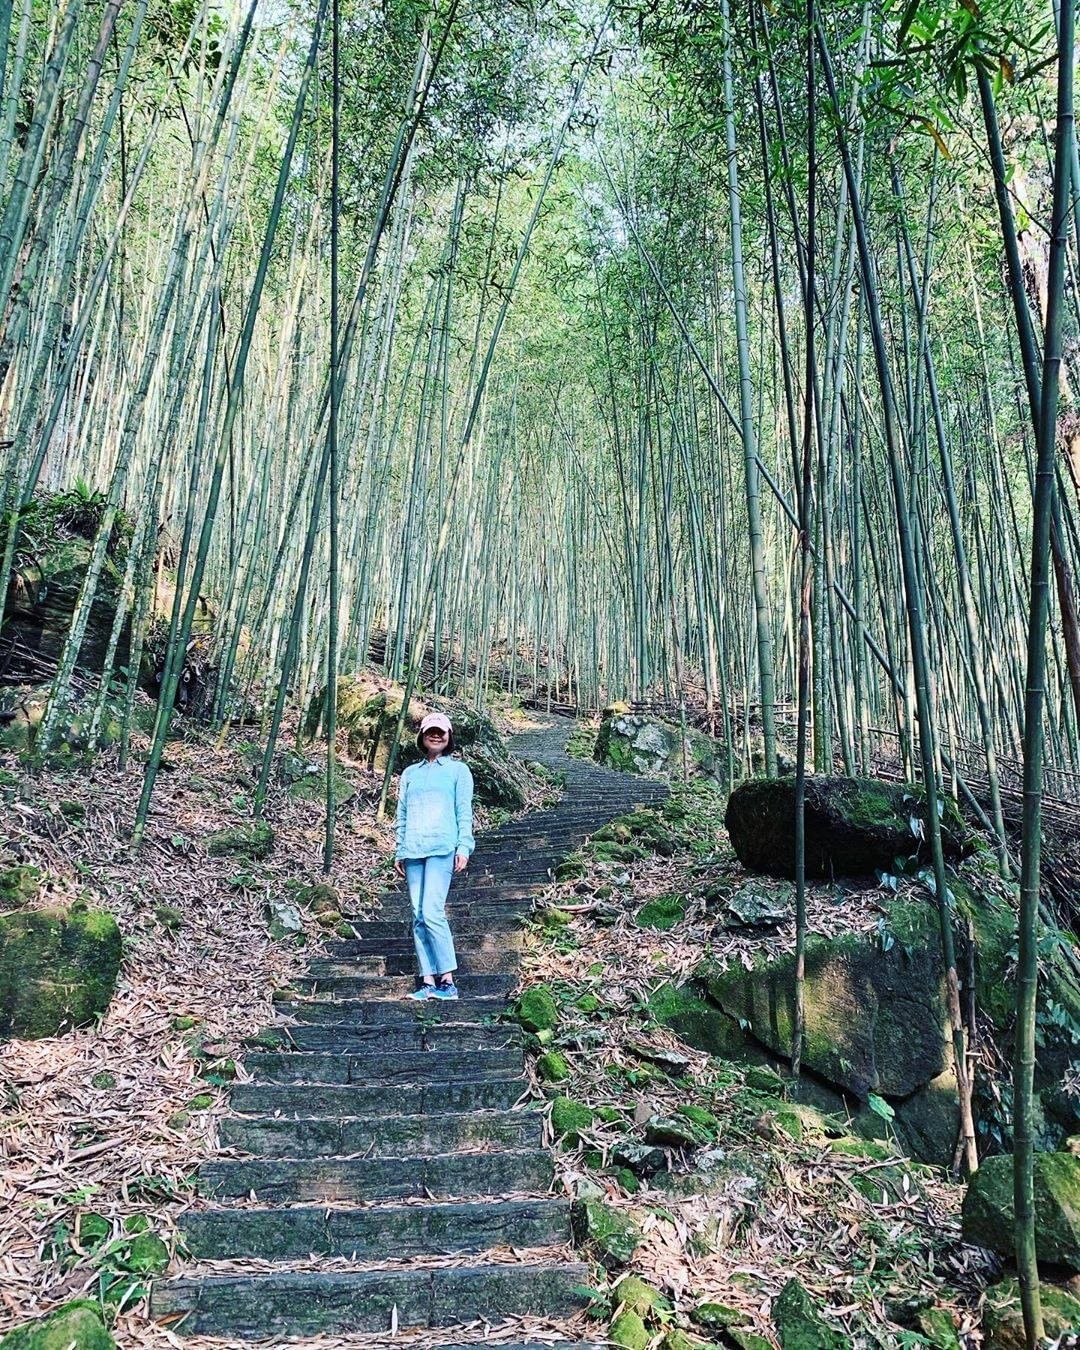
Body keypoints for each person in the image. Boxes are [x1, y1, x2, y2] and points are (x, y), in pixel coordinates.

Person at [393, 711, 474, 1001]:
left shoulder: (458, 771)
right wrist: (399, 850)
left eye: (441, 731)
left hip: (442, 848)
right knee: (417, 916)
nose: (436, 735)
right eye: (431, 731)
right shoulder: (410, 774)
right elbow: (401, 814)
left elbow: (464, 812)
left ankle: (448, 981)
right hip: (414, 850)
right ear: (422, 736)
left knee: (432, 911)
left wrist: (464, 846)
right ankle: (427, 981)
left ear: (449, 736)